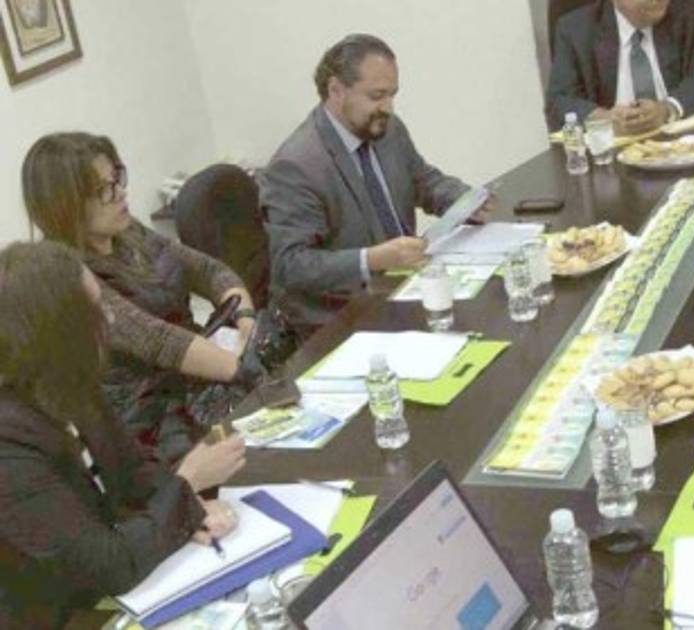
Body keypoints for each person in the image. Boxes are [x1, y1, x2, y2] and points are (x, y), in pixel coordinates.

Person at [0, 241, 247, 629]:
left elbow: (133, 469)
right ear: (61, 333)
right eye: (97, 309)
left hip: (118, 585)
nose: (111, 319)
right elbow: (108, 566)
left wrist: (187, 509)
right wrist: (185, 486)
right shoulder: (8, 449)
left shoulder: (69, 382)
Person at [22, 133, 262, 463]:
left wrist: (246, 321)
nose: (120, 192)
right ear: (66, 204)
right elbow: (156, 341)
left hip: (199, 383)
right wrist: (247, 368)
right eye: (104, 189)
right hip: (152, 423)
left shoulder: (128, 232)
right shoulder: (65, 274)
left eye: (117, 178)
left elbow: (208, 270)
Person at [262, 34, 491, 337]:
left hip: (405, 287)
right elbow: (291, 265)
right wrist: (370, 260)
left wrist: (462, 199)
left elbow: (422, 180)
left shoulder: (387, 129)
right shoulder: (296, 165)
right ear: (336, 90)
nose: (388, 107)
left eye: (392, 95)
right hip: (342, 317)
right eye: (376, 96)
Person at [544, 0, 694, 134]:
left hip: (683, 141)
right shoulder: (576, 29)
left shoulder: (689, 13)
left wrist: (667, 109)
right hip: (613, 152)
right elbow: (559, 100)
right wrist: (604, 119)